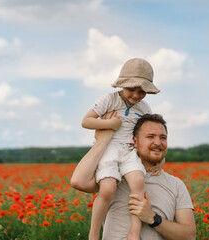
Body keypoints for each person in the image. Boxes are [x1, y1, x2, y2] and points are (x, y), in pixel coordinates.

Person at [71, 113, 196, 240]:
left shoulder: (176, 184)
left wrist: (152, 218)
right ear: (135, 141)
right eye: (150, 137)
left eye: (163, 137)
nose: (158, 142)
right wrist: (103, 140)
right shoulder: (115, 177)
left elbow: (189, 236)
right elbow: (79, 181)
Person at [80, 58, 160, 240]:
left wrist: (157, 156)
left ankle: (134, 231)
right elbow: (86, 121)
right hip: (108, 148)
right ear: (122, 84)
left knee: (138, 182)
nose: (136, 95)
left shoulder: (144, 107)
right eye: (132, 89)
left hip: (130, 150)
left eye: (142, 91)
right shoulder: (108, 99)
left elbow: (147, 131)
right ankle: (94, 233)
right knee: (107, 189)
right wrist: (109, 123)